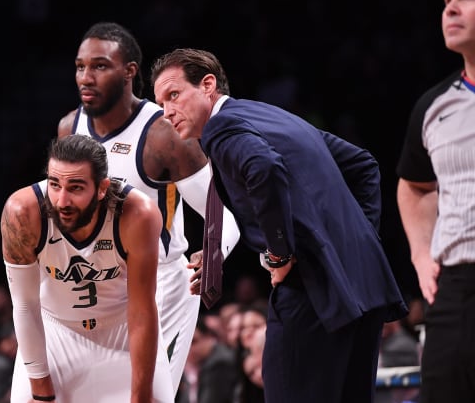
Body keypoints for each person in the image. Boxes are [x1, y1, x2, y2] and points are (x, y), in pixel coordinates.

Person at [151, 48, 409, 403]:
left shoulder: (221, 130)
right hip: (365, 285)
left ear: (208, 85)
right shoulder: (273, 117)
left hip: (314, 288)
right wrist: (357, 243)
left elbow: (264, 169)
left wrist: (279, 253)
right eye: (160, 102)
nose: (166, 111)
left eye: (173, 95)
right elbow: (364, 166)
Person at [57, 21, 240, 391]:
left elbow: (225, 213)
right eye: (80, 66)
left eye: (99, 66)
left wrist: (216, 252)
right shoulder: (68, 128)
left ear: (129, 72)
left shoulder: (163, 134)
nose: (86, 77)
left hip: (163, 288)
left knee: (148, 396)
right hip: (98, 287)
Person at [0, 134, 173, 402]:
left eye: (76, 188)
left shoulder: (138, 214)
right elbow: (25, 305)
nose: (62, 201)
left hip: (122, 330)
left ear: (102, 188)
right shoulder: (22, 212)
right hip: (54, 330)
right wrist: (42, 392)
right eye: (54, 184)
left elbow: (141, 310)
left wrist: (140, 397)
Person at [395, 0, 475, 401]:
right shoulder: (433, 105)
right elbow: (414, 185)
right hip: (457, 288)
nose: (450, 9)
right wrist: (421, 255)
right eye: (446, 2)